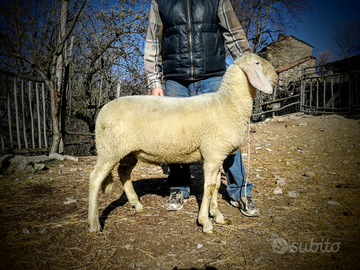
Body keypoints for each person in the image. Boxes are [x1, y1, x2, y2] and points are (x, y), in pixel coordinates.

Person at [144, 0, 259, 217]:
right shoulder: (159, 2)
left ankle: (240, 190)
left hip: (213, 76)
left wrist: (249, 67)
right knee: (175, 135)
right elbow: (153, 42)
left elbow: (234, 34)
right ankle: (178, 188)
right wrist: (155, 83)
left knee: (226, 135)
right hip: (176, 79)